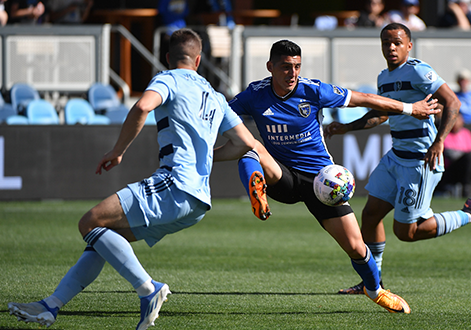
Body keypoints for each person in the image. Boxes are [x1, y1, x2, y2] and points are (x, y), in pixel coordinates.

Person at [7, 28, 257, 329]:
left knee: (89, 222)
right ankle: (51, 306)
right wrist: (204, 155)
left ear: (167, 57)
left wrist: (118, 150)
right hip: (198, 202)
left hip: (174, 184)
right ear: (199, 59)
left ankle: (148, 289)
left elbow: (142, 106)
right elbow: (245, 143)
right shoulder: (216, 96)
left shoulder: (168, 78)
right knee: (103, 239)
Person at [229, 39, 440, 313]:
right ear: (270, 67)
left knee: (356, 247)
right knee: (251, 147)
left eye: (296, 67)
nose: (292, 73)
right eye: (285, 67)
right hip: (282, 177)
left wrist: (411, 108)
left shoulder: (313, 90)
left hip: (321, 182)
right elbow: (222, 115)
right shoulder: (254, 94)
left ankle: (375, 290)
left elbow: (363, 99)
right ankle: (256, 192)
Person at [324, 23, 471, 295]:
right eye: (386, 43)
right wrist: (345, 127)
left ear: (409, 45)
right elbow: (382, 115)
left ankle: (470, 214)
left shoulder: (418, 71)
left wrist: (439, 141)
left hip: (419, 162)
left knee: (406, 233)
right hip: (396, 157)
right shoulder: (384, 77)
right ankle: (373, 283)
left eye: (396, 42)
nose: (391, 48)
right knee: (370, 215)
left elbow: (453, 102)